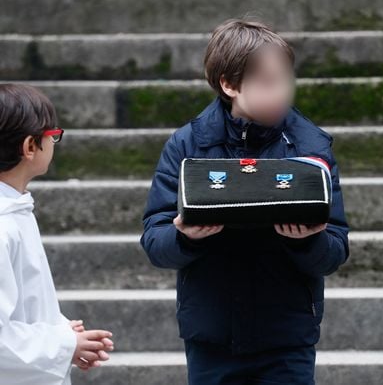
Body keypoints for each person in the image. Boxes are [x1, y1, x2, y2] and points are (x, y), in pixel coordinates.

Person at [141, 19, 349, 385]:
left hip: (286, 337)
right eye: (269, 83)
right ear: (230, 84)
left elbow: (335, 250)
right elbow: (156, 243)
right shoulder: (187, 145)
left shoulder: (310, 147)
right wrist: (185, 235)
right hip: (211, 336)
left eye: (286, 79)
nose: (282, 92)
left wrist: (307, 240)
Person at [0, 84, 115, 385]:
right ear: (29, 147)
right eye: (53, 136)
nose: (55, 142)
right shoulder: (4, 223)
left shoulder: (16, 208)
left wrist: (62, 333)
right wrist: (63, 345)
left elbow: (26, 303)